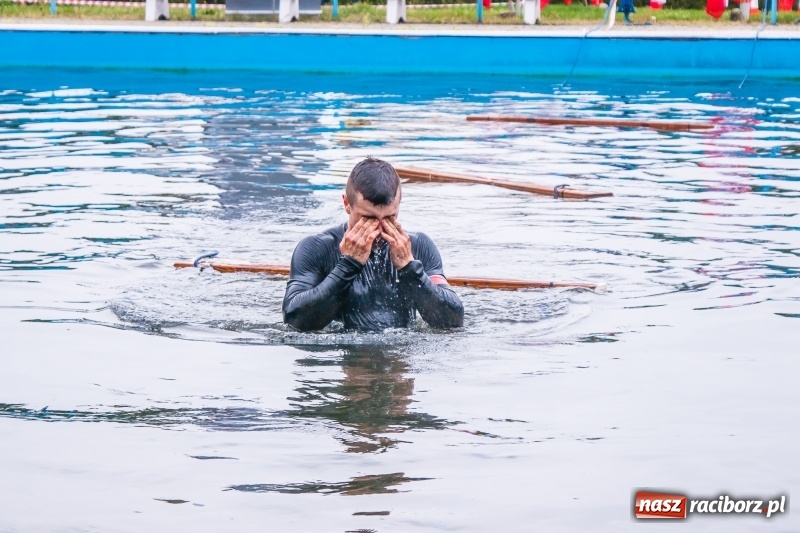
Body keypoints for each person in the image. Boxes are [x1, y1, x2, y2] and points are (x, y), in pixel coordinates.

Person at [282, 157, 464, 332]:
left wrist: (410, 269)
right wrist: (347, 265)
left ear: (399, 204)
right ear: (347, 204)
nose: (378, 228)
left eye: (389, 217)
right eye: (368, 218)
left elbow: (452, 321)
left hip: (399, 356)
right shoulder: (316, 248)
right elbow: (294, 320)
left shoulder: (418, 247)